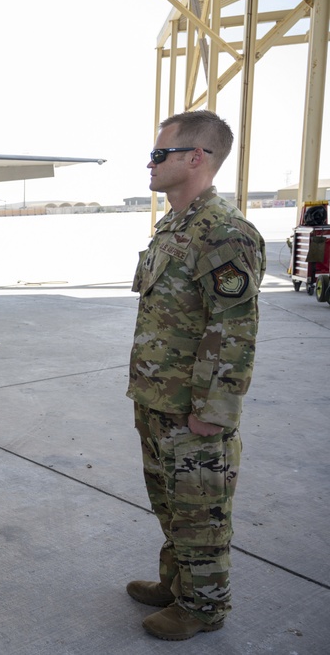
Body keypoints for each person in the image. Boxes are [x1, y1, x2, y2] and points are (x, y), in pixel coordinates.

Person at [126, 110, 266, 640]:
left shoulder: (224, 232)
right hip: (159, 400)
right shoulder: (173, 226)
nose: (151, 162)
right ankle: (179, 583)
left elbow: (234, 331)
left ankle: (205, 609)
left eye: (160, 154)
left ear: (196, 159)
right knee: (171, 503)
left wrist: (212, 412)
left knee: (201, 513)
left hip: (193, 411)